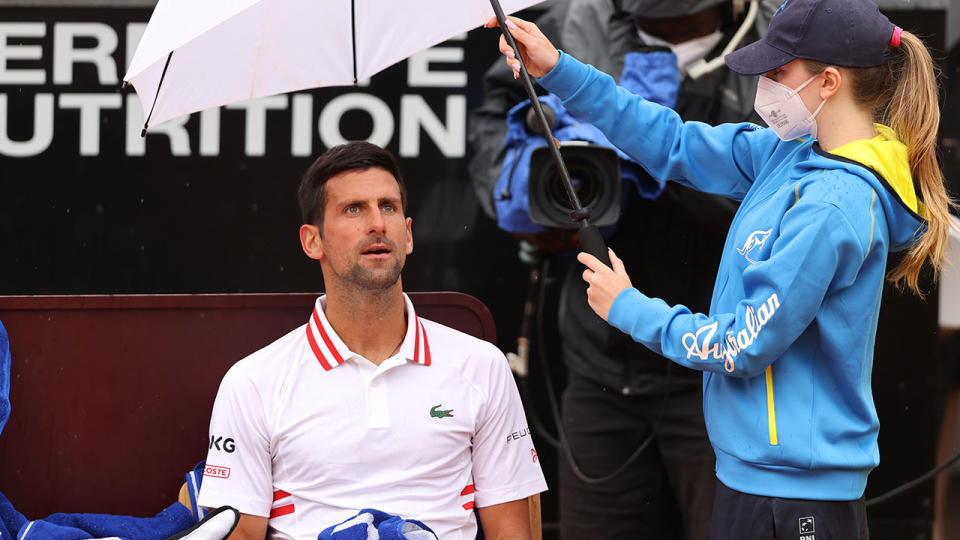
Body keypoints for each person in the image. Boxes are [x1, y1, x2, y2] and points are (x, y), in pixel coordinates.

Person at [488, 0, 954, 538]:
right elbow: (671, 141)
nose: (766, 83)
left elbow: (741, 346)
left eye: (780, 71)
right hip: (755, 482)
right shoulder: (792, 153)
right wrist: (558, 70)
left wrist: (628, 307)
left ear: (828, 82)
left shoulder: (833, 203)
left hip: (795, 497)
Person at [468, 1, 776, 538]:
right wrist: (529, 192)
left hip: (724, 366)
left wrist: (648, 168)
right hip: (602, 368)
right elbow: (496, 115)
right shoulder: (570, 21)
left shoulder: (784, 38)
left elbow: (778, 189)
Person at [196, 141, 548, 540]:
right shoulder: (252, 382)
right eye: (353, 209)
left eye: (388, 207)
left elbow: (514, 532)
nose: (377, 223)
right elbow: (241, 536)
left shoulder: (481, 365)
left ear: (408, 234)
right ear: (313, 241)